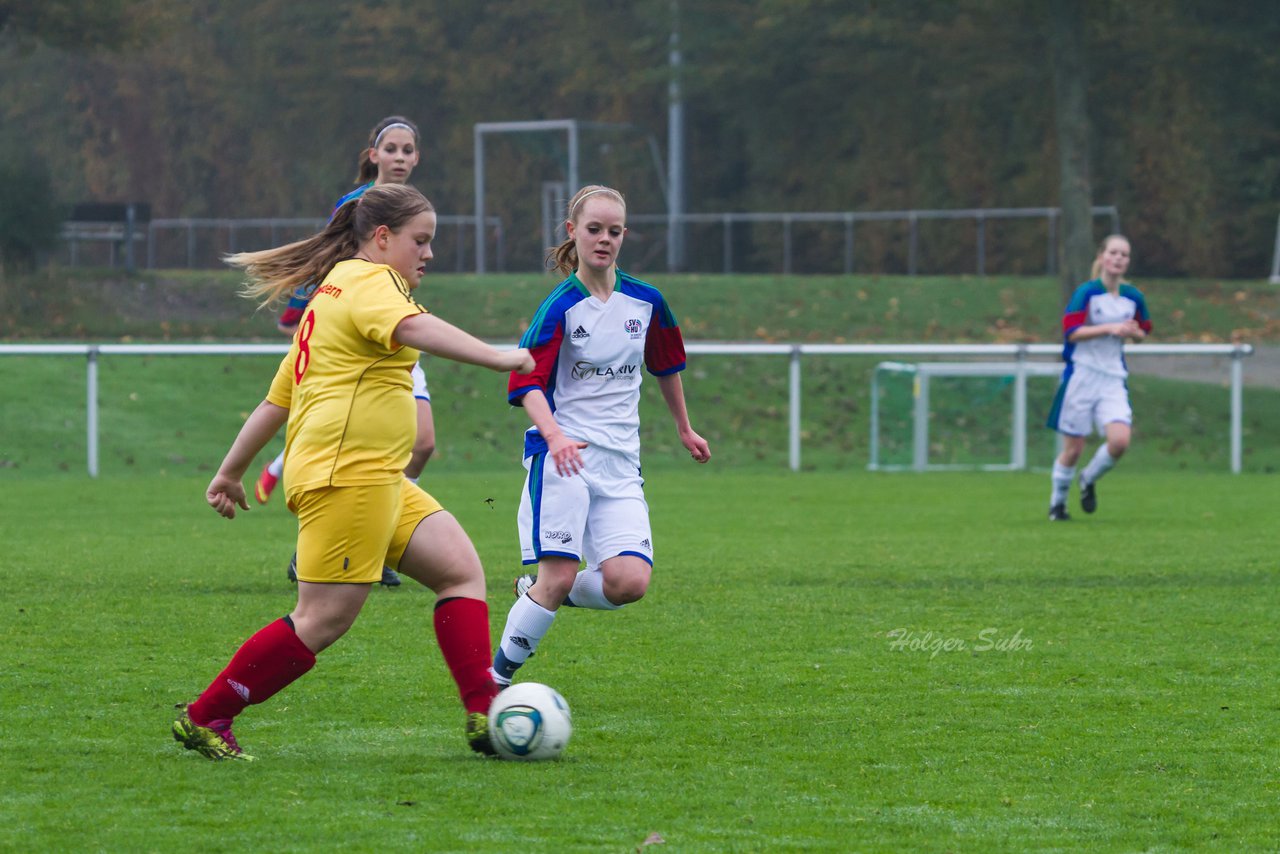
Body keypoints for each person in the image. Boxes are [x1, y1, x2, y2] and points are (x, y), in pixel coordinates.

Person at [172, 183, 534, 760]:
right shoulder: (371, 282)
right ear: (383, 238)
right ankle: (208, 714)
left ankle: (483, 712)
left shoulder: (330, 292)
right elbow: (414, 329)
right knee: (321, 619)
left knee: (461, 571)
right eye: (421, 240)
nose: (429, 254)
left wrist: (229, 473)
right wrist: (498, 355)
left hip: (376, 477)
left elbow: (276, 401)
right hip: (348, 477)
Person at [489, 184, 711, 689]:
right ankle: (494, 683)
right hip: (563, 458)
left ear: (624, 235)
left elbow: (666, 364)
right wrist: (556, 437)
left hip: (620, 464)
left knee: (629, 582)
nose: (604, 239)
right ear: (573, 232)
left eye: (614, 231)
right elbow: (525, 383)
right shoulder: (561, 307)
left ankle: (535, 591)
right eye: (594, 230)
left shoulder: (647, 301)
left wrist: (683, 427)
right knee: (560, 575)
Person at [254, 115, 435, 587]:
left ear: (416, 158)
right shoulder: (357, 206)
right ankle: (333, 542)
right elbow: (325, 259)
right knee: (355, 439)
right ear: (373, 155)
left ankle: (384, 535)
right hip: (357, 338)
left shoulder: (412, 207)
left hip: (397, 333)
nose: (399, 157)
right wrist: (299, 311)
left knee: (424, 443)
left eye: (407, 150)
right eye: (390, 149)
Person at [1045, 234, 1151, 521]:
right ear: (1102, 257)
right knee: (1074, 448)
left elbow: (1143, 333)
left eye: (1124, 255)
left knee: (1120, 441)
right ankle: (1057, 505)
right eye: (1114, 253)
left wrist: (1133, 333)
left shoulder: (1133, 297)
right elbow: (1072, 331)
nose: (1118, 259)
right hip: (1082, 374)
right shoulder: (1087, 293)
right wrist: (1109, 328)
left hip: (1113, 378)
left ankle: (1088, 479)